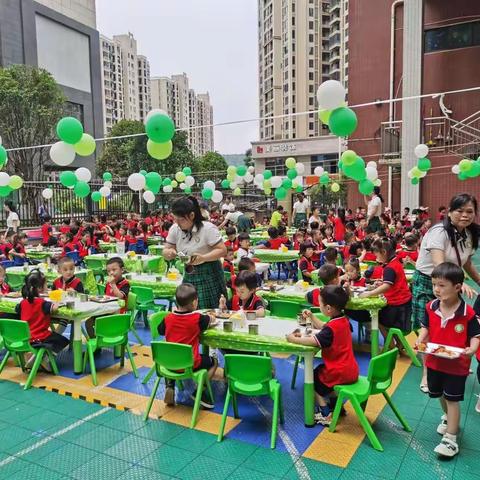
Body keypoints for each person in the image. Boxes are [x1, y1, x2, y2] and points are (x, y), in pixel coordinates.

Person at [412, 193, 480, 392]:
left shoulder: (468, 234)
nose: (465, 215)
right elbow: (439, 264)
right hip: (431, 281)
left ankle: (453, 364)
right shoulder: (438, 232)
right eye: (460, 211)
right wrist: (455, 282)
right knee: (430, 328)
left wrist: (477, 280)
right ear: (449, 212)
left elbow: (465, 261)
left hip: (451, 282)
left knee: (452, 326)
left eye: (470, 211)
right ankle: (427, 374)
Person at [415, 263, 480, 457]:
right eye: (435, 284)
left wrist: (472, 349)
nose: (436, 289)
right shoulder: (431, 306)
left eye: (442, 285)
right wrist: (421, 337)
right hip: (435, 361)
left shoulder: (467, 313)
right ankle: (447, 418)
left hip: (457, 365)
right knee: (440, 395)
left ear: (458, 287)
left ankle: (452, 438)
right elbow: (425, 327)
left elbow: (475, 335)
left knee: (452, 399)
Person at [286, 285, 359, 425]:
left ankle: (325, 413)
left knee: (312, 379)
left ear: (329, 308)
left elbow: (313, 341)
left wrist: (293, 339)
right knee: (320, 373)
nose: (318, 305)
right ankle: (338, 407)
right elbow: (325, 328)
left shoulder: (331, 329)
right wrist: (312, 316)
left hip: (337, 371)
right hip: (350, 369)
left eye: (320, 303)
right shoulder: (343, 321)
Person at [158, 283, 217, 408]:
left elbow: (160, 330)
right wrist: (211, 316)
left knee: (174, 355)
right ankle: (199, 390)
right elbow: (211, 320)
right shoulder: (197, 318)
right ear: (195, 302)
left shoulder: (168, 318)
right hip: (190, 364)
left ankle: (170, 385)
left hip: (167, 363)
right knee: (214, 362)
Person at [163, 196, 227, 309]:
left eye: (181, 219)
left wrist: (203, 257)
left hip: (209, 273)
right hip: (189, 273)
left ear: (192, 215)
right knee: (187, 309)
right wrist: (169, 252)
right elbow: (165, 250)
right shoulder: (175, 229)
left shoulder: (207, 228)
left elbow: (222, 250)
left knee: (210, 310)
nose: (177, 223)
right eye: (175, 219)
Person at [359, 238, 412, 348]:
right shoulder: (396, 262)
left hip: (397, 304)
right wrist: (382, 283)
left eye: (377, 255)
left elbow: (387, 286)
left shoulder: (389, 268)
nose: (376, 258)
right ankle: (399, 345)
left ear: (384, 252)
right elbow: (392, 283)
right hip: (404, 303)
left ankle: (391, 345)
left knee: (376, 319)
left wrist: (370, 293)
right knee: (391, 326)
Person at [15, 270, 69, 372]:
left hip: (25, 337)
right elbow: (54, 308)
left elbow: (16, 310)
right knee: (62, 340)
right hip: (40, 337)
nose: (47, 288)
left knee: (54, 334)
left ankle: (37, 358)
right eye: (46, 285)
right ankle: (43, 359)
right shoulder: (42, 303)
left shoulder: (23, 303)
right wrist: (58, 300)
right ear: (39, 288)